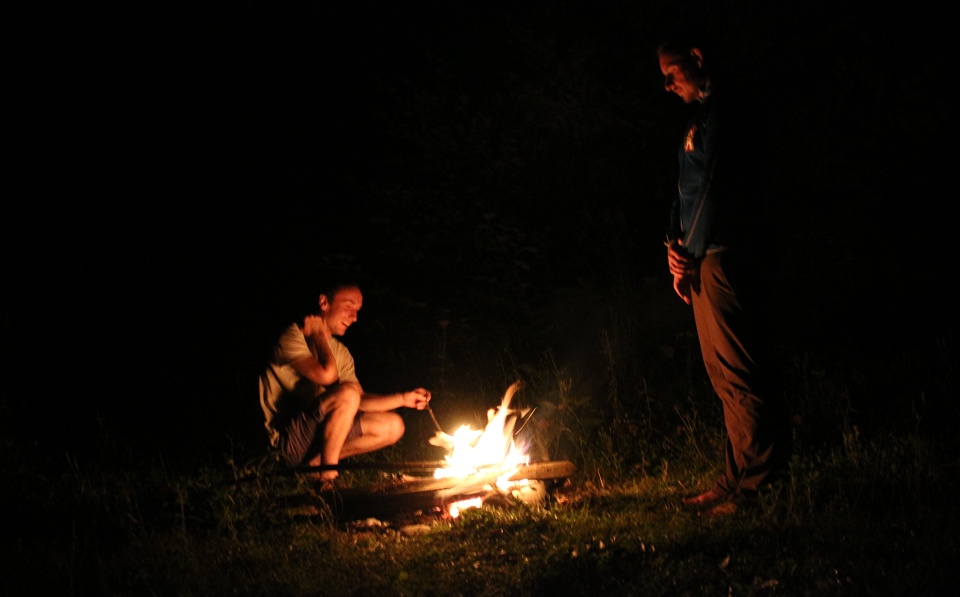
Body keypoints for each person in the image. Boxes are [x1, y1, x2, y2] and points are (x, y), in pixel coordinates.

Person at [656, 36, 791, 515]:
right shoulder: (699, 118)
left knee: (738, 369)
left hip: (721, 256)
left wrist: (691, 250)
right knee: (720, 373)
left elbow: (715, 187)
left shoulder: (727, 113)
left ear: (697, 57)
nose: (667, 84)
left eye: (673, 71)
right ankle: (734, 477)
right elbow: (685, 189)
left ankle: (757, 482)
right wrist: (673, 246)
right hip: (699, 256)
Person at [258, 282, 432, 490]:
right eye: (349, 306)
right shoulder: (291, 336)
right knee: (347, 394)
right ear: (324, 302)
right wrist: (321, 336)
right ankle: (327, 478)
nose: (354, 317)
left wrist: (403, 399)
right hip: (286, 444)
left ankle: (314, 465)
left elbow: (359, 399)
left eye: (357, 311)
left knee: (393, 426)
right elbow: (327, 375)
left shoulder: (340, 352)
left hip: (314, 441)